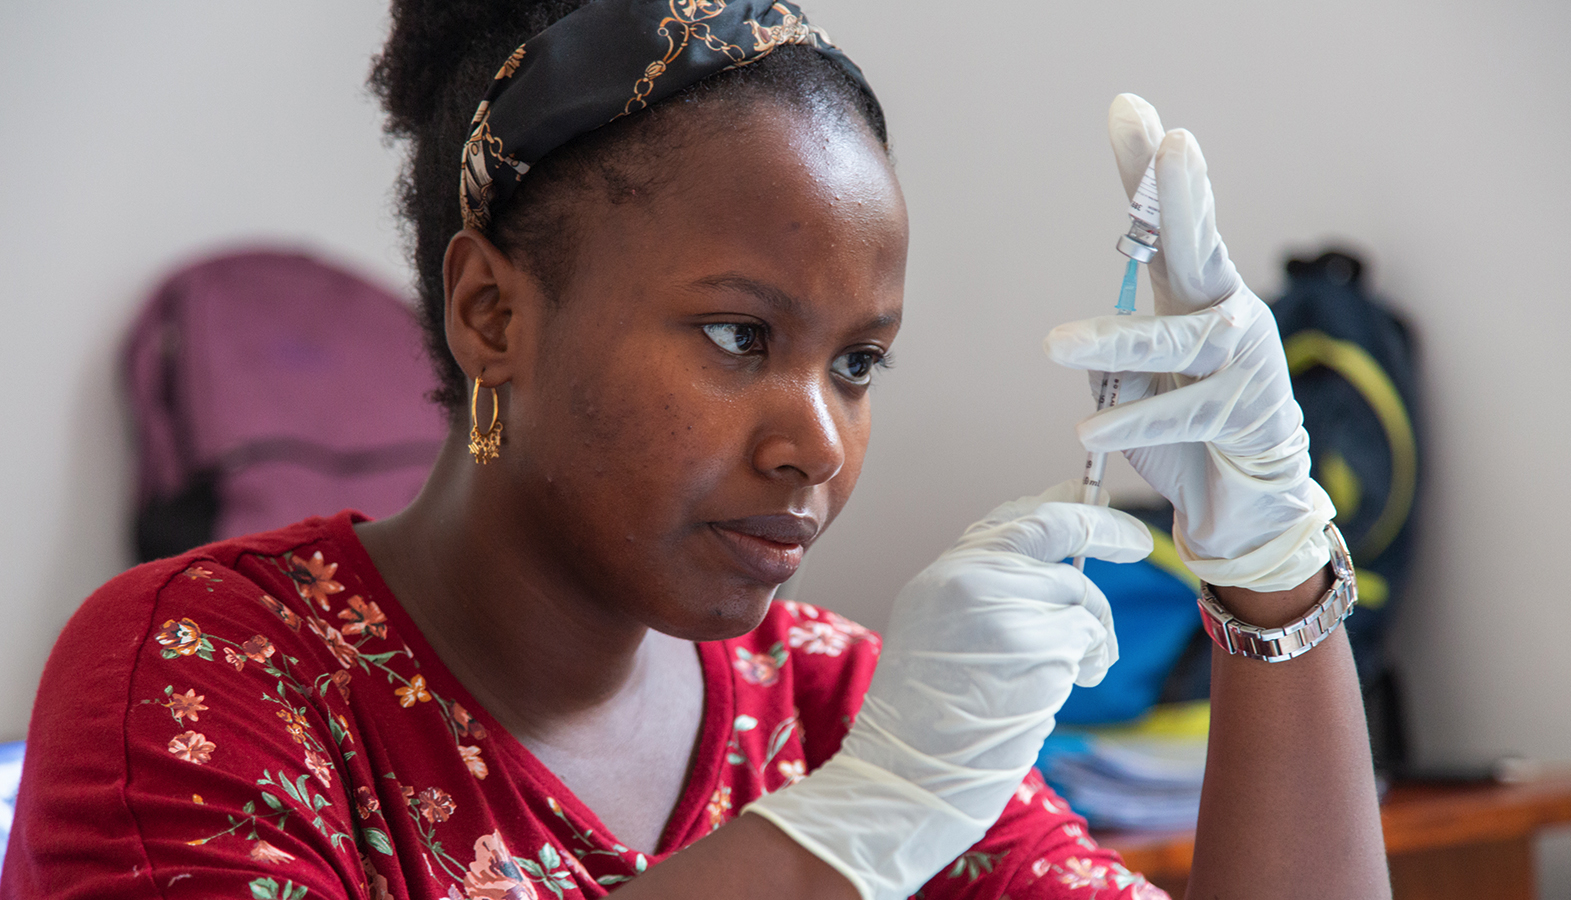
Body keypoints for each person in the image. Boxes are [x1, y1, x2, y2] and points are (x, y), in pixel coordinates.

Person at [1, 2, 1389, 898]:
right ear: (493, 311)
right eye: (739, 337)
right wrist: (850, 836)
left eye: (859, 362)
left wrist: (1273, 576)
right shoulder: (200, 678)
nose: (820, 443)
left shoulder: (835, 709)